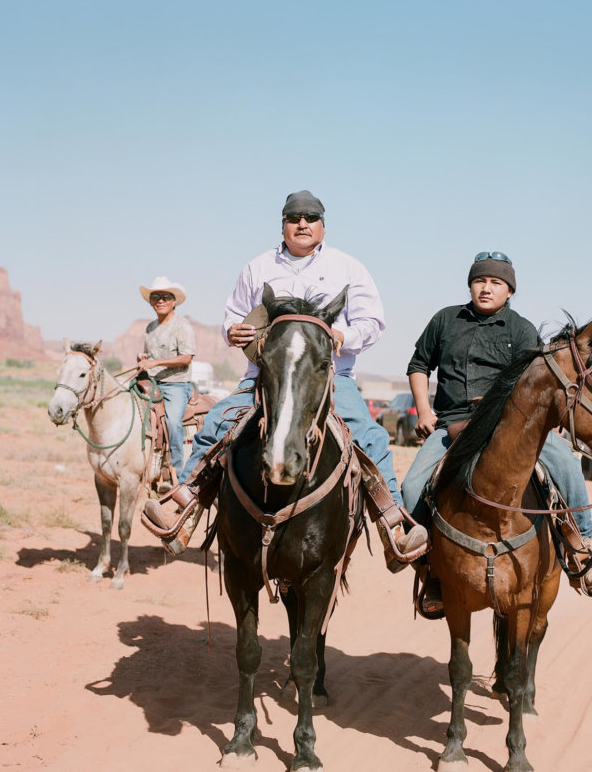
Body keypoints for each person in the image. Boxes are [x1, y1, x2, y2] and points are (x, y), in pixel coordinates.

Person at [142, 190, 428, 566]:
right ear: (283, 225)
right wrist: (234, 332)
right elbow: (234, 315)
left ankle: (394, 525)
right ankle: (184, 507)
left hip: (328, 376)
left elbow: (372, 322)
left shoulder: (349, 268)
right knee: (216, 421)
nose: (302, 223)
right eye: (295, 217)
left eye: (311, 217)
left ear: (323, 226)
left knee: (369, 434)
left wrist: (343, 336)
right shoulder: (257, 267)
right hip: (264, 376)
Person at [402, 251, 592, 614]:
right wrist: (423, 409)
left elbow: (534, 384)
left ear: (509, 290)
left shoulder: (521, 330)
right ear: (470, 284)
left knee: (565, 462)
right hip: (453, 423)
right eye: (480, 281)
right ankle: (432, 572)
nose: (486, 288)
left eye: (495, 283)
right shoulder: (444, 320)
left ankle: (581, 551)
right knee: (411, 487)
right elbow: (419, 365)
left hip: (512, 425)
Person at [137, 276, 196, 480]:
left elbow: (186, 358)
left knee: (173, 424)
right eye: (155, 297)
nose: (160, 301)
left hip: (176, 385)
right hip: (151, 383)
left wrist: (155, 363)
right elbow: (149, 355)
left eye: (165, 297)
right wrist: (144, 359)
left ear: (173, 302)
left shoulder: (182, 326)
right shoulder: (150, 328)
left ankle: (178, 475)